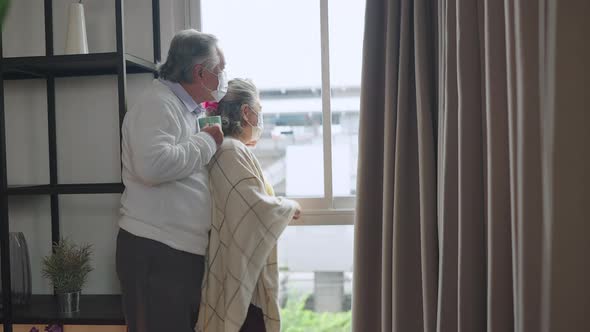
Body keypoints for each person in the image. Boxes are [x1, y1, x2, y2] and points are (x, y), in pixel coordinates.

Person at [116, 29, 226, 332]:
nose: (222, 77)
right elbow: (152, 166)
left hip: (175, 251)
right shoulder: (157, 104)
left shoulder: (184, 109)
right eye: (219, 70)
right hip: (157, 250)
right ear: (199, 72)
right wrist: (207, 142)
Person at [196, 79, 301, 332]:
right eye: (259, 110)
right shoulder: (230, 150)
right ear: (246, 112)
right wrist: (289, 206)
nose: (260, 118)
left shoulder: (229, 148)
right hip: (243, 279)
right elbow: (254, 209)